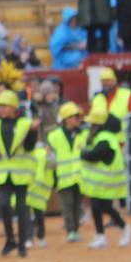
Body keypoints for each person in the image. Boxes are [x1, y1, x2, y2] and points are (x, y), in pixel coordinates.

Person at [0, 89, 36, 257]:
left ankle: (22, 244)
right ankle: (10, 240)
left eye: (4, 106)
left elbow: (29, 147)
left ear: (13, 107)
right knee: (4, 205)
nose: (0, 109)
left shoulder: (25, 123)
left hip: (21, 173)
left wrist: (33, 132)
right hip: (3, 172)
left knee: (22, 208)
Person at [80, 103, 131, 248]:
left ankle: (123, 228)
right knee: (97, 207)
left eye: (91, 122)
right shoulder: (102, 136)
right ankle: (100, 235)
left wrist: (83, 153)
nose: (89, 125)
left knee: (104, 206)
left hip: (107, 181)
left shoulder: (105, 137)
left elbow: (95, 155)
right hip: (99, 182)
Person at [46, 102, 87, 243]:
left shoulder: (83, 134)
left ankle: (75, 229)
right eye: (75, 117)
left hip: (79, 177)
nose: (78, 119)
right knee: (67, 205)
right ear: (67, 118)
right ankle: (70, 229)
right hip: (63, 177)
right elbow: (50, 157)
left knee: (77, 205)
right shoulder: (54, 136)